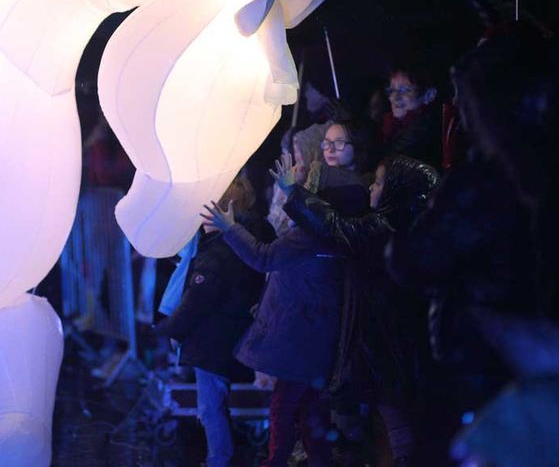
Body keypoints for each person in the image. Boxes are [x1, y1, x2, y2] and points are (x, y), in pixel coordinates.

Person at [203, 163, 370, 467]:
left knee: (283, 408)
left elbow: (263, 257)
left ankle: (275, 462)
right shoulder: (346, 236)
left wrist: (230, 228)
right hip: (323, 338)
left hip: (299, 339)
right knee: (312, 411)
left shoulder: (308, 236)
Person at [279, 154, 439, 467]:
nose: (371, 187)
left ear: (397, 189)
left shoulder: (385, 225)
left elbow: (335, 226)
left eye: (379, 182)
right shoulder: (415, 225)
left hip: (385, 334)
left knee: (393, 411)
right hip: (397, 334)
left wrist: (293, 193)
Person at [154, 174, 271, 467]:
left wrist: (168, 329)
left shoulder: (215, 254)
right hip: (237, 332)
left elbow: (196, 303)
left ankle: (218, 460)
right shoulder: (254, 239)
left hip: (212, 341)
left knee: (210, 408)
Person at [381, 64, 442, 169]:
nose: (394, 97)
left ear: (429, 95)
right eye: (391, 90)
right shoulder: (392, 125)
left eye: (405, 90)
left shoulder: (423, 129)